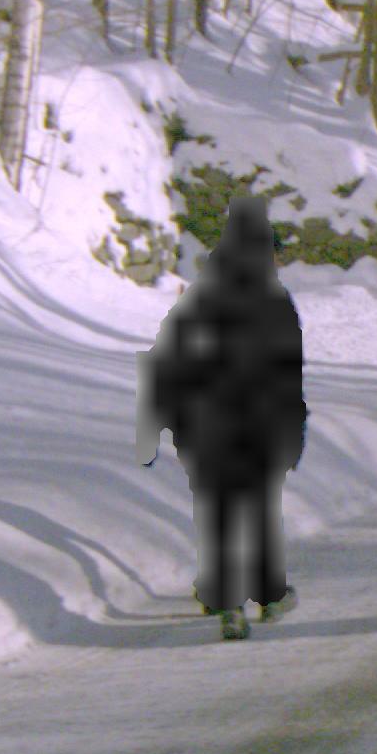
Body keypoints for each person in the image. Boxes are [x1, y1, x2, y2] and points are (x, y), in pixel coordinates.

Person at [137, 195, 307, 639]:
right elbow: (287, 374)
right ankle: (268, 595)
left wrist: (168, 420)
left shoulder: (200, 297)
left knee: (217, 513)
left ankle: (224, 600)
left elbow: (170, 360)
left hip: (206, 427)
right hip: (259, 425)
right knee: (260, 510)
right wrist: (293, 432)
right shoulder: (275, 301)